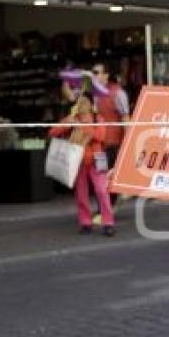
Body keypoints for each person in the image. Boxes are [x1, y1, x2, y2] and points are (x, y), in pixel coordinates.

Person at [49, 92, 116, 237]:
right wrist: (69, 122)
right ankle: (85, 222)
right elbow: (53, 132)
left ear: (91, 105)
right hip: (77, 160)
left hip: (97, 159)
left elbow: (101, 136)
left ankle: (108, 222)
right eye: (79, 102)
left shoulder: (98, 119)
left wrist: (83, 126)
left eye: (84, 101)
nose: (81, 104)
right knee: (81, 193)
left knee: (102, 191)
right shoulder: (73, 119)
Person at [90, 62, 130, 213]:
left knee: (107, 176)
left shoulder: (118, 93)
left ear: (106, 75)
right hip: (98, 143)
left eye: (96, 72)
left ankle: (106, 209)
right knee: (100, 177)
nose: (94, 75)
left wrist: (127, 142)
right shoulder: (92, 93)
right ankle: (105, 208)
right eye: (93, 73)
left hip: (112, 142)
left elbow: (125, 117)